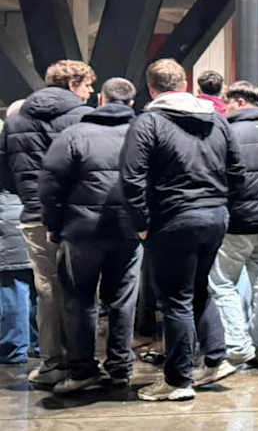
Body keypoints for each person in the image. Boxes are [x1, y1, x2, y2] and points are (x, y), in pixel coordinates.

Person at [120, 59, 244, 401]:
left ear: (151, 88)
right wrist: (223, 206)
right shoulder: (217, 119)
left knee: (175, 300)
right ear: (185, 83)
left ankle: (177, 380)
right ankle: (215, 359)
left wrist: (141, 224)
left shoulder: (148, 123)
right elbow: (237, 170)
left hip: (173, 219)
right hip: (214, 216)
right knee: (198, 289)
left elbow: (131, 178)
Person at [39, 78, 142, 393]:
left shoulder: (74, 134)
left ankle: (83, 370)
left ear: (100, 99)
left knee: (80, 299)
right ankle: (120, 367)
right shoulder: (142, 133)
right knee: (123, 298)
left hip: (81, 231)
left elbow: (50, 186)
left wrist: (54, 225)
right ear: (131, 102)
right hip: (129, 229)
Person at [0, 60, 94, 388]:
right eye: (87, 85)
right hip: (79, 216)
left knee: (48, 291)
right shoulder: (84, 116)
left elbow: (6, 174)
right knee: (82, 290)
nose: (90, 91)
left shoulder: (16, 120)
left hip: (35, 215)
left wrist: (30, 197)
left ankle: (52, 362)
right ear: (72, 84)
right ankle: (83, 361)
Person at [208, 81, 258, 368]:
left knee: (222, 283)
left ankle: (236, 345)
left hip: (236, 223)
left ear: (240, 102)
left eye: (228, 103)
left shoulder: (226, 133)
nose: (225, 108)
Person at [1, 104, 33, 366]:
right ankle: (39, 344)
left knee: (13, 285)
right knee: (37, 286)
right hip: (35, 215)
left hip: (7, 218)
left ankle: (13, 348)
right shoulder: (44, 141)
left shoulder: (5, 147)